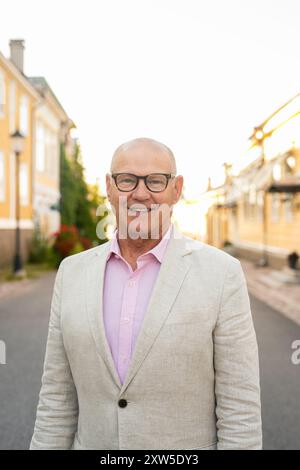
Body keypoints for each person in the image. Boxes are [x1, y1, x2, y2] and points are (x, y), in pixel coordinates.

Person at [30, 137, 262, 450]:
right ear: (110, 188)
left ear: (176, 189)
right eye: (127, 180)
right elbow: (56, 398)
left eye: (155, 181)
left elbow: (241, 407)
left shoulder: (222, 274)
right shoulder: (72, 273)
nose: (141, 193)